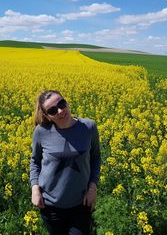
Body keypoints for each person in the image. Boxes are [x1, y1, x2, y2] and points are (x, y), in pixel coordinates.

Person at [30, 90, 101, 235]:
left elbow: (96, 158)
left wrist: (93, 188)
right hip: (50, 205)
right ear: (47, 116)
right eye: (53, 110)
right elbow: (35, 161)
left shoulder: (89, 127)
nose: (61, 111)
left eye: (62, 103)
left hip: (81, 203)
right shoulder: (41, 131)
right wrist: (35, 189)